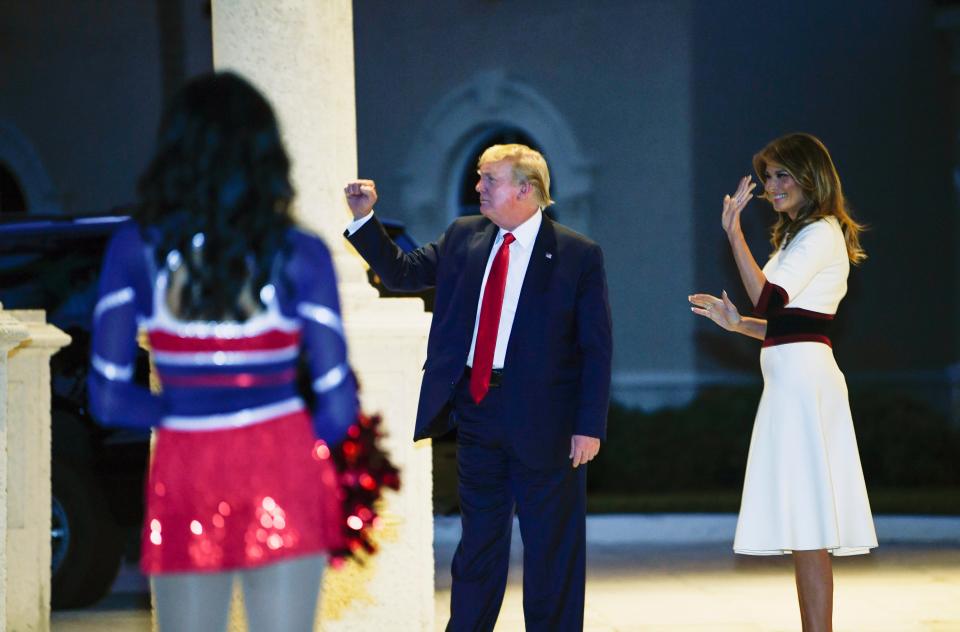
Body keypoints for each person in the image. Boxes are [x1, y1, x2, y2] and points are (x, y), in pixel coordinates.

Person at [88, 72, 358, 632]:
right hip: (281, 465)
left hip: (187, 470)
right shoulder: (301, 253)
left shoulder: (133, 248)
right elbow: (339, 405)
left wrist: (185, 413)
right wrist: (281, 435)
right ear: (267, 153)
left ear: (174, 148)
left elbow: (108, 399)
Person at [344, 144, 612, 631]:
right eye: (480, 178)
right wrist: (366, 220)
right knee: (477, 550)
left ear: (525, 189)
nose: (478, 188)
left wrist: (589, 425)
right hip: (478, 411)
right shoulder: (463, 236)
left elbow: (596, 348)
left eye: (489, 179)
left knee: (552, 554)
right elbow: (402, 274)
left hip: (548, 426)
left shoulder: (578, 255)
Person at [689, 133, 877, 631]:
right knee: (804, 527)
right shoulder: (798, 236)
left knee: (810, 527)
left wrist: (734, 234)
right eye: (769, 176)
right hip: (790, 384)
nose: (773, 185)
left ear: (810, 177)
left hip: (803, 388)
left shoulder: (820, 233)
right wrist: (736, 324)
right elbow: (784, 322)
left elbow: (769, 300)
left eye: (781, 175)